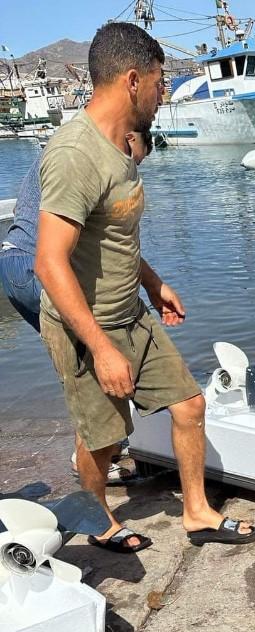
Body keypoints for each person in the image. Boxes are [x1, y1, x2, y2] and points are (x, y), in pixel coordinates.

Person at [34, 22, 255, 553]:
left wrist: (154, 283)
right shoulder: (74, 155)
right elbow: (49, 262)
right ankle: (98, 520)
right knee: (104, 437)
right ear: (133, 79)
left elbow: (112, 235)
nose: (163, 96)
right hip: (85, 324)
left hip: (130, 310)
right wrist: (102, 347)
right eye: (160, 83)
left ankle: (197, 512)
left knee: (190, 404)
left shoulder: (122, 147)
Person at [1, 129, 153, 487]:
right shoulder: (87, 156)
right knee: (100, 357)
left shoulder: (69, 144)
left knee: (83, 362)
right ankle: (90, 457)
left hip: (15, 265)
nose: (133, 167)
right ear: (130, 138)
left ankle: (106, 449)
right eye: (137, 158)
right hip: (35, 267)